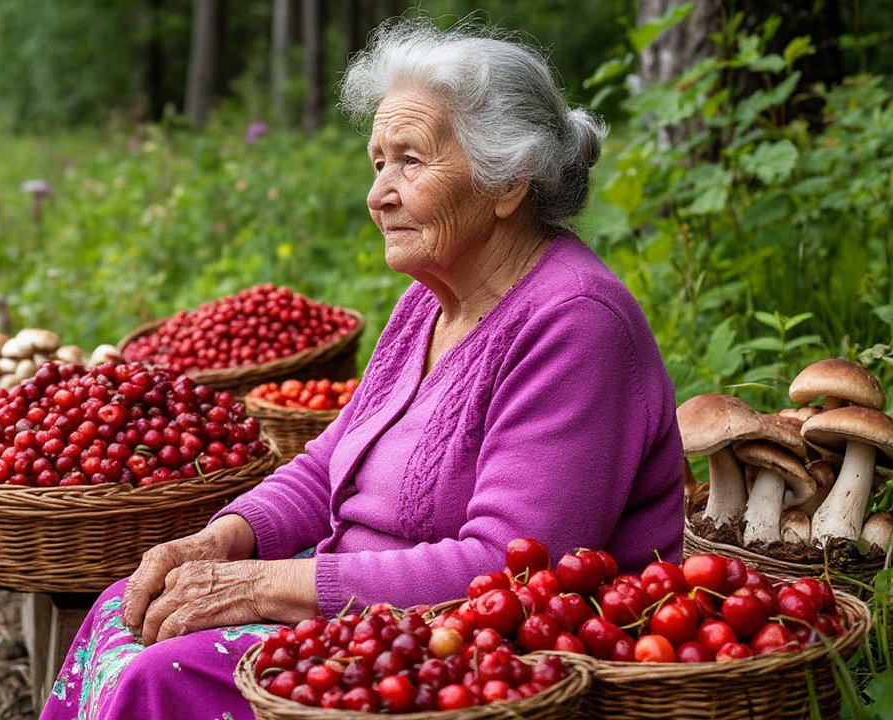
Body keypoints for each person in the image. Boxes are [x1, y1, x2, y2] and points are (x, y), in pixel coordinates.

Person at [39, 18, 684, 720]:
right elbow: (326, 466)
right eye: (378, 163)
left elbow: (510, 569)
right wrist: (221, 538)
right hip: (371, 624)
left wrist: (260, 588)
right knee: (120, 611)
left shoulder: (576, 323)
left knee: (162, 675)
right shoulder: (426, 304)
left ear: (509, 181)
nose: (379, 193)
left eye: (410, 160)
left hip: (470, 659)